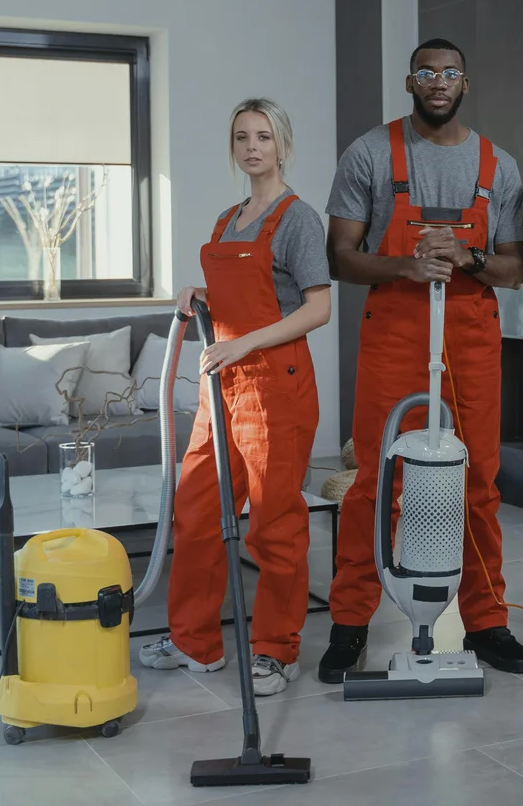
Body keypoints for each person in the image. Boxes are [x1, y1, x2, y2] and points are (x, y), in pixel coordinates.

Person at [318, 38, 523, 683]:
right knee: (374, 481)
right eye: (426, 73)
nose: (438, 82)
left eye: (450, 73)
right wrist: (407, 264)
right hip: (394, 328)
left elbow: (516, 268)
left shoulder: (500, 167)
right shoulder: (369, 154)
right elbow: (339, 257)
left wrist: (467, 257)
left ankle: (487, 621)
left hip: (470, 333)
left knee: (480, 482)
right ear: (409, 81)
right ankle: (350, 623)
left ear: (465, 83)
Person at [139, 98, 331, 696]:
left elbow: (318, 307)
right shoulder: (228, 220)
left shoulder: (298, 219)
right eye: (243, 137)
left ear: (283, 145)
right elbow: (238, 296)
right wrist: (201, 293)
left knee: (273, 524)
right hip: (223, 381)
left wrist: (241, 342)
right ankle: (194, 641)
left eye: (264, 137)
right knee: (196, 511)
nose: (253, 147)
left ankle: (276, 650)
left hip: (277, 387)